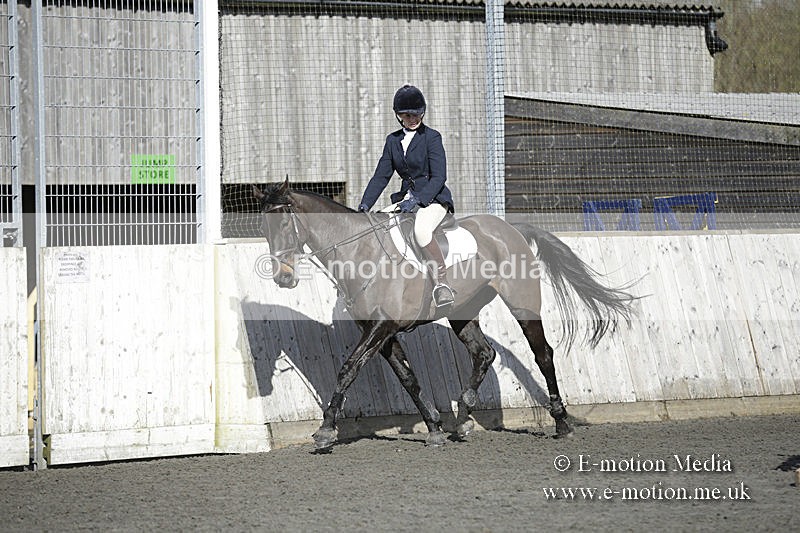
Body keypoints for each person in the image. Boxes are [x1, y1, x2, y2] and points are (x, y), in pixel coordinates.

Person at [357, 84, 455, 307]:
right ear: (398, 116)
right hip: (406, 200)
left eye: (416, 114)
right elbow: (381, 177)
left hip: (433, 199)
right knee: (377, 224)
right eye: (406, 115)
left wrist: (419, 200)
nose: (412, 119)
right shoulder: (392, 141)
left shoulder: (432, 137)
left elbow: (439, 177)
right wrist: (364, 205)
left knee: (421, 231)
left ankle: (442, 283)